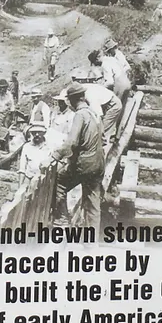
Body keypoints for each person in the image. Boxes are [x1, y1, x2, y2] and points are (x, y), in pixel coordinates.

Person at [51, 83, 105, 232]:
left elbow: (71, 142)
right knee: (93, 204)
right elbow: (104, 138)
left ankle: (62, 220)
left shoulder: (80, 115)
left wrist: (54, 156)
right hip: (99, 163)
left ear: (73, 100)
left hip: (86, 165)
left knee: (59, 181)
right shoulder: (94, 113)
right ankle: (91, 244)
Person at [83, 79, 122, 143]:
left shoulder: (90, 96)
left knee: (103, 130)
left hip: (113, 105)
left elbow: (99, 116)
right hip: (105, 103)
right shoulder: (82, 88)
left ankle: (103, 145)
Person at [18, 123, 51, 190]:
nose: (36, 135)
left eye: (39, 132)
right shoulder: (27, 147)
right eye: (34, 132)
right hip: (29, 178)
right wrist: (20, 188)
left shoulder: (50, 147)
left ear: (44, 133)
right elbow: (22, 169)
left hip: (43, 181)